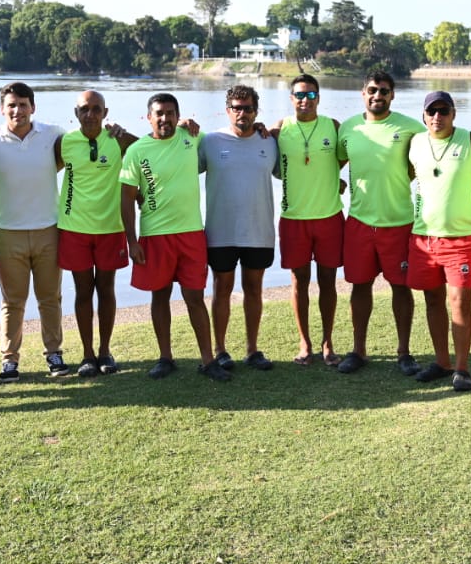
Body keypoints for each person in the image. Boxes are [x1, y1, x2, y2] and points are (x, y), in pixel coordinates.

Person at [121, 93, 229, 382]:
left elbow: (226, 140)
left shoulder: (191, 137)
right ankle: (165, 357)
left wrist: (262, 129)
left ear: (178, 116)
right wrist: (132, 241)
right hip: (155, 235)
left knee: (195, 297)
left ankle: (208, 360)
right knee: (160, 295)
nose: (164, 118)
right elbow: (127, 198)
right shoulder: (137, 151)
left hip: (191, 233)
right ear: (149, 117)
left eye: (170, 113)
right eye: (159, 113)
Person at [0, 82, 71, 379]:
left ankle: (54, 354)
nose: (18, 110)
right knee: (12, 302)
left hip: (48, 230)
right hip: (8, 233)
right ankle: (9, 360)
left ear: (33, 107)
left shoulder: (53, 133)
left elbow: (84, 143)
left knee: (50, 298)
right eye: (12, 105)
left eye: (23, 104)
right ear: (2, 109)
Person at [335, 72, 425, 375]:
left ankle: (404, 352)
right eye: (372, 90)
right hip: (359, 221)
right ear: (363, 93)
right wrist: (336, 184)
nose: (378, 95)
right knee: (360, 286)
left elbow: (429, 157)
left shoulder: (411, 127)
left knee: (401, 287)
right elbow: (334, 163)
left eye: (384, 91)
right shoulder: (349, 128)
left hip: (398, 222)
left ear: (392, 95)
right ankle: (358, 350)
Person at [406, 91, 471, 392]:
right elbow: (405, 176)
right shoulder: (415, 143)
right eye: (432, 112)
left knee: (459, 302)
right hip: (424, 237)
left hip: (460, 238)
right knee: (432, 300)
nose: (437, 117)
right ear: (424, 116)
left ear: (454, 114)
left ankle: (462, 368)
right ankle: (442, 362)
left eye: (443, 111)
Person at [201, 85, 279, 372]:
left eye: (247, 108)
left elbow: (291, 170)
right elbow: (178, 164)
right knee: (221, 288)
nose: (242, 113)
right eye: (237, 108)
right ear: (227, 110)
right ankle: (220, 350)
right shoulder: (210, 141)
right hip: (221, 231)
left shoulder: (270, 142)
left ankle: (252, 350)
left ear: (256, 111)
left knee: (254, 289)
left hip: (259, 230)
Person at [54, 90, 128, 378]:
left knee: (106, 290)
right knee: (83, 291)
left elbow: (152, 148)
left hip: (110, 228)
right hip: (74, 228)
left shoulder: (118, 139)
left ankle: (105, 351)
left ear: (105, 113)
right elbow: (39, 170)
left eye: (97, 109)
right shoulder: (65, 142)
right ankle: (87, 355)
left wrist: (183, 125)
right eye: (85, 109)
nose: (90, 114)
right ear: (76, 113)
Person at [273, 74, 344, 367]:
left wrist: (334, 179)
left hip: (329, 217)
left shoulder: (333, 126)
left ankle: (328, 342)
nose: (306, 100)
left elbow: (345, 156)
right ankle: (305, 343)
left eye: (311, 95)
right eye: (300, 95)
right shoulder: (280, 129)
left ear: (319, 98)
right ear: (292, 99)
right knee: (299, 281)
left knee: (328, 281)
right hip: (293, 219)